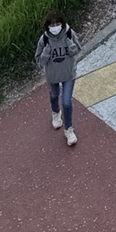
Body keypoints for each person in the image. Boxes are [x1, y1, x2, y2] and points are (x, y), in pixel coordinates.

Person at [34, 10, 81, 146]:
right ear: (47, 26)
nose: (55, 27)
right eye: (52, 24)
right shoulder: (44, 40)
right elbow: (39, 61)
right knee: (54, 95)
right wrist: (46, 53)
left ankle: (68, 129)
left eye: (57, 23)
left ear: (62, 23)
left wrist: (71, 47)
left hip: (68, 74)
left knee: (66, 102)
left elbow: (77, 49)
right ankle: (55, 112)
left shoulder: (69, 34)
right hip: (53, 75)